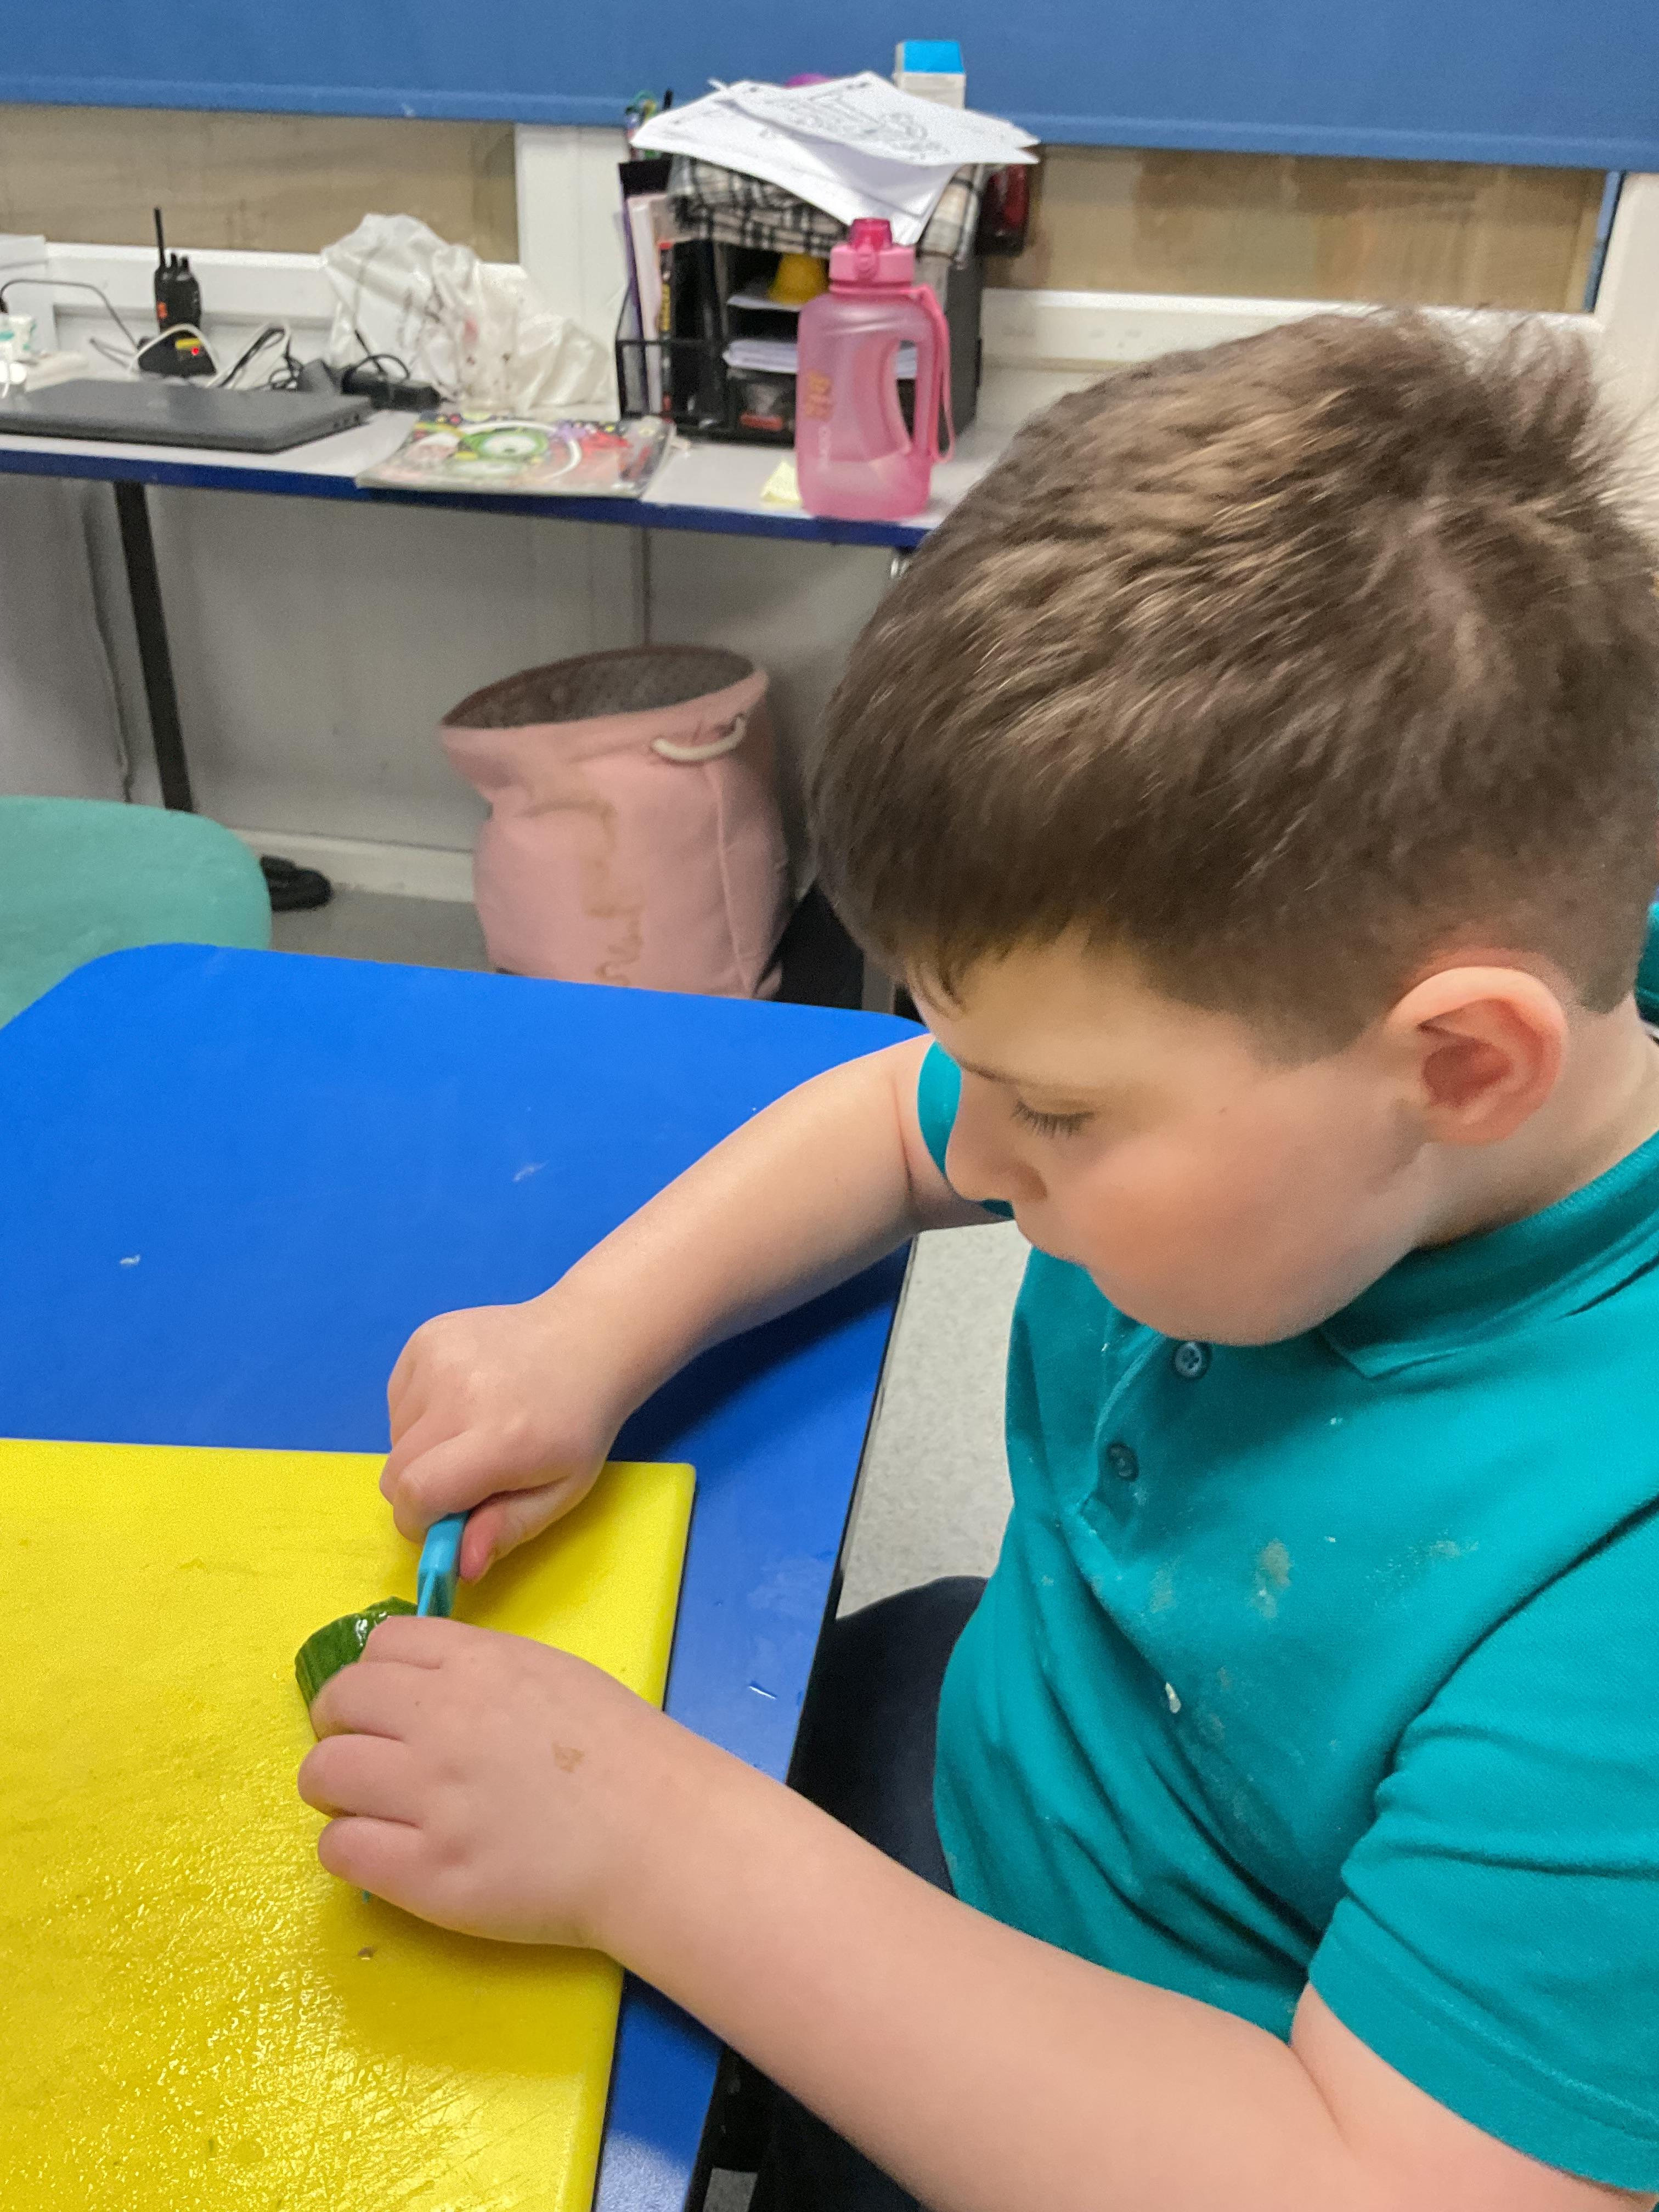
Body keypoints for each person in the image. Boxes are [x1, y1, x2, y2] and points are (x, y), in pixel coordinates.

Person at [298, 312, 1659, 2211]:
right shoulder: (1310, 1042)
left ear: (1459, 1068)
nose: (982, 1151)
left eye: (1062, 1115)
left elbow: (1385, 2182)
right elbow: (890, 1118)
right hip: (1015, 1748)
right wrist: (583, 1331)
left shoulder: (1618, 1585)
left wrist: (653, 1849)